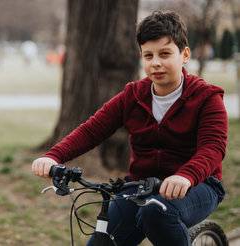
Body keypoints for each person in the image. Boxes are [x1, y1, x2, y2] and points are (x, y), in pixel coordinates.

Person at [32, 11, 227, 246]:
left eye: (165, 54)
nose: (156, 62)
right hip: (141, 186)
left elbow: (213, 147)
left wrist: (186, 175)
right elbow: (92, 130)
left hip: (199, 184)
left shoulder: (207, 97)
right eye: (148, 55)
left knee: (156, 212)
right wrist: (54, 155)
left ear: (184, 54)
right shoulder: (132, 96)